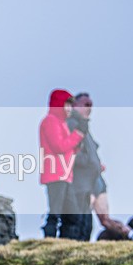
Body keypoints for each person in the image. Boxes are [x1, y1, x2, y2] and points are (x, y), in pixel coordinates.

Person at [39, 89, 84, 239]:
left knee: (71, 214)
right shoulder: (51, 121)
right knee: (56, 212)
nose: (70, 109)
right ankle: (50, 241)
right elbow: (58, 146)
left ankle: (65, 242)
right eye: (67, 104)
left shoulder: (60, 123)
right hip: (55, 174)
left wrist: (75, 146)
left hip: (64, 174)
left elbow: (64, 148)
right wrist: (77, 136)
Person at [66, 93, 102, 241]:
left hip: (88, 184)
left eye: (91, 105)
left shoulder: (83, 125)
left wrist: (96, 164)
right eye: (85, 104)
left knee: (86, 224)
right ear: (75, 105)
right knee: (77, 222)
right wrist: (89, 162)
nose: (89, 108)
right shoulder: (72, 124)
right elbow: (70, 152)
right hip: (77, 183)